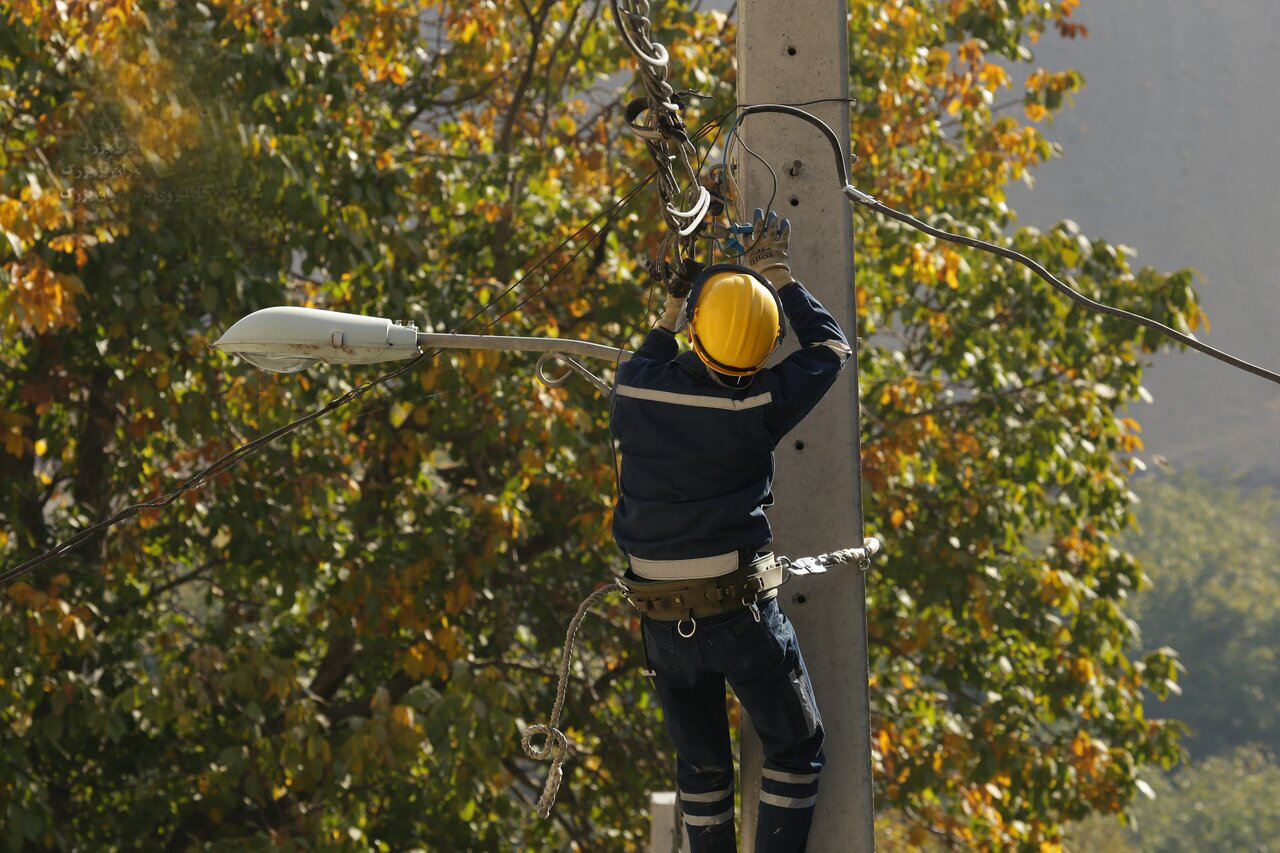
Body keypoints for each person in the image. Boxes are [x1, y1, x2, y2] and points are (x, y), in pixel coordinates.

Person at [610, 208, 854, 853]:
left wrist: (673, 302)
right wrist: (781, 275)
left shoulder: (635, 390)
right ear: (768, 346)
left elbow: (652, 351)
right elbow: (830, 348)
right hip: (739, 615)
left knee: (703, 768)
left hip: (662, 622)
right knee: (795, 749)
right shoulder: (758, 404)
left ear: (697, 330)